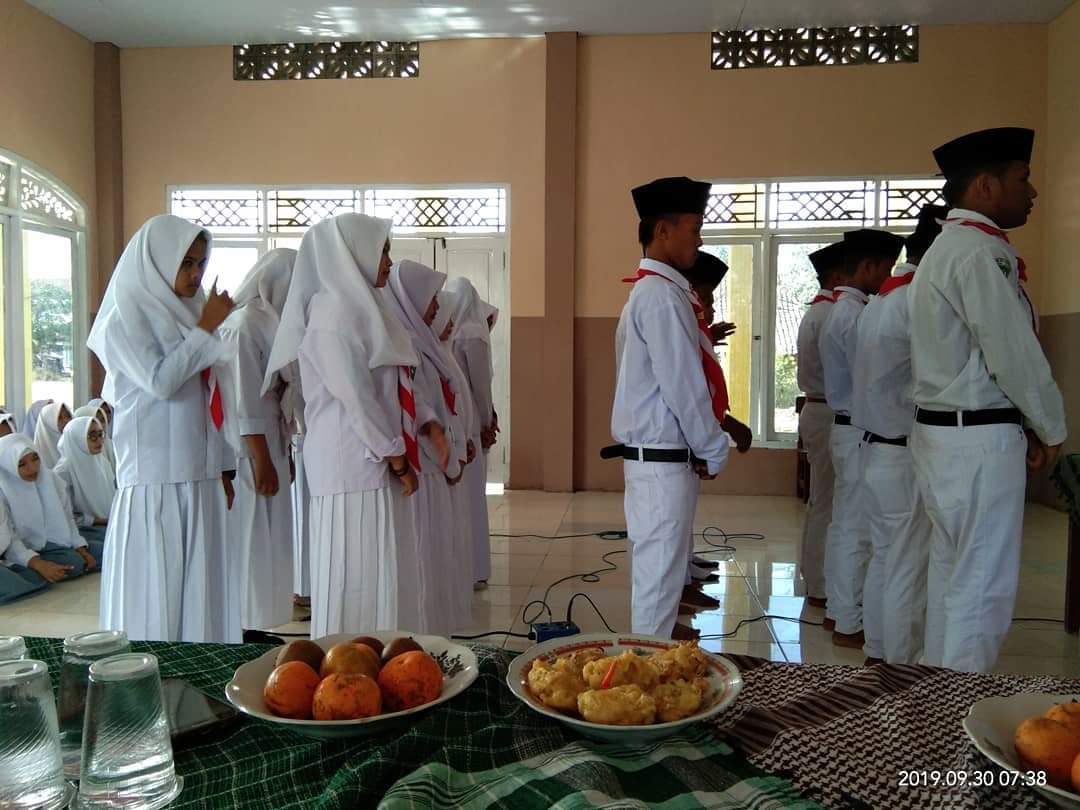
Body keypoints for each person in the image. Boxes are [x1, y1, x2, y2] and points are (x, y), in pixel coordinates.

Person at [909, 127, 1066, 673]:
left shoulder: (951, 248)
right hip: (975, 441)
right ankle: (958, 712)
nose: (1033, 191)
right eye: (1022, 178)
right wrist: (1050, 426)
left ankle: (935, 695)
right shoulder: (978, 253)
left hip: (950, 436)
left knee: (953, 579)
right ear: (984, 185)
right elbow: (1012, 351)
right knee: (980, 590)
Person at [263, 213, 435, 637]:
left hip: (374, 458)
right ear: (352, 252)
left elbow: (391, 386)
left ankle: (389, 651)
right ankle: (353, 656)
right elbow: (357, 397)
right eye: (382, 251)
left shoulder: (367, 307)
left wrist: (407, 442)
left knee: (383, 566)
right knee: (358, 570)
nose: (389, 262)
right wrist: (396, 457)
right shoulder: (332, 314)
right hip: (352, 465)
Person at [87, 214, 240, 643]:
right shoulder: (123, 320)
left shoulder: (191, 314)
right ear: (157, 260)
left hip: (199, 475)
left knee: (200, 594)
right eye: (186, 263)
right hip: (155, 480)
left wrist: (223, 466)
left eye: (201, 263)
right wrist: (206, 328)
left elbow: (213, 393)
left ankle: (200, 668)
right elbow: (160, 381)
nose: (196, 274)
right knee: (157, 591)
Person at [612, 176, 731, 641]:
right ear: (663, 230)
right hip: (661, 464)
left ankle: (651, 665)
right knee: (658, 588)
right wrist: (713, 447)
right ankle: (647, 673)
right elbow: (684, 387)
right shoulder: (660, 297)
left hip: (663, 460)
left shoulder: (657, 293)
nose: (699, 240)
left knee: (659, 582)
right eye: (694, 229)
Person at [851, 205, 946, 664]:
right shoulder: (914, 300)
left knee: (888, 557)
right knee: (907, 565)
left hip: (876, 448)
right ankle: (900, 667)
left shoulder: (880, 302)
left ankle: (877, 651)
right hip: (902, 452)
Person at [818, 228, 905, 648]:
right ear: (867, 267)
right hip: (855, 429)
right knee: (856, 530)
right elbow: (872, 377)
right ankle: (849, 620)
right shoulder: (853, 315)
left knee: (846, 525)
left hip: (847, 427)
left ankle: (840, 611)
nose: (888, 277)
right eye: (886, 268)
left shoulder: (846, 310)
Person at [217, 248, 299, 632]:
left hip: (272, 444)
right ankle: (244, 624)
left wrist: (285, 454)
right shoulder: (243, 325)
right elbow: (244, 402)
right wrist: (263, 459)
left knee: (271, 542)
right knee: (250, 540)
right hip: (249, 452)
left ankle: (264, 620)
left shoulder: (272, 323)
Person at [387, 260, 469, 635]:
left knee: (438, 558)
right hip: (425, 470)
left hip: (438, 468)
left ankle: (437, 636)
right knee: (425, 559)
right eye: (431, 298)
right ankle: (424, 640)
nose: (437, 307)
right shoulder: (405, 346)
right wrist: (446, 453)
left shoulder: (425, 344)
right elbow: (417, 408)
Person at [678, 251, 752, 598]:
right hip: (677, 442)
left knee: (683, 515)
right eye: (706, 300)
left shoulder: (692, 330)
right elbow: (692, 394)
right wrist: (724, 430)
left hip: (687, 443)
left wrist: (707, 334)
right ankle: (680, 585)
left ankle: (685, 572)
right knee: (672, 523)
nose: (709, 308)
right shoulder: (675, 321)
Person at [795, 242, 845, 614]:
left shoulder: (819, 311)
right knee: (827, 502)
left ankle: (816, 578)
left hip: (819, 409)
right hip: (827, 411)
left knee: (822, 500)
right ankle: (819, 583)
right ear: (839, 275)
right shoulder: (830, 314)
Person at [443, 277, 498, 591]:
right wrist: (487, 420)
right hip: (472, 424)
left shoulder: (445, 331)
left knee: (461, 498)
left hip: (456, 422)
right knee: (474, 497)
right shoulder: (474, 334)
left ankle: (462, 566)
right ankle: (476, 568)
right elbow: (481, 387)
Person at [432, 289, 478, 627]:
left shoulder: (442, 353)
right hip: (440, 461)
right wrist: (454, 453)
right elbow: (435, 414)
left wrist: (465, 441)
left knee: (455, 532)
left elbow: (459, 407)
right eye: (440, 314)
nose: (450, 323)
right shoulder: (427, 355)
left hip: (456, 454)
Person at [0, 434, 95, 582]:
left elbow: (67, 519)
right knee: (73, 563)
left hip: (55, 544)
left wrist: (80, 548)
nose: (32, 468)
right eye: (21, 464)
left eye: (35, 459)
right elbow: (9, 539)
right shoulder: (3, 490)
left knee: (100, 551)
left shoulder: (50, 479)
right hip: (14, 551)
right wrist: (37, 564)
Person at [54, 415, 115, 562]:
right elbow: (64, 515)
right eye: (92, 436)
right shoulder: (63, 471)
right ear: (77, 438)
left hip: (106, 523)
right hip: (80, 530)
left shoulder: (101, 462)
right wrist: (99, 521)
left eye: (100, 434)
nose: (99, 441)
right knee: (113, 546)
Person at [74, 402, 117, 475]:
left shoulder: (109, 445)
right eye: (95, 421)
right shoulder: (68, 467)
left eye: (102, 420)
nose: (99, 425)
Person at [33, 401, 72, 468]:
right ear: (48, 423)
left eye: (68, 416)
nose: (66, 420)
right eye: (59, 418)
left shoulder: (75, 446)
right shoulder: (33, 458)